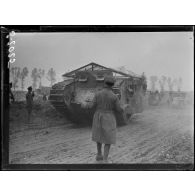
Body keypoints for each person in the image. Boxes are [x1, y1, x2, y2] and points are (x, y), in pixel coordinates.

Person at [91, 75, 123, 163]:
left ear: (104, 83)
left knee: (99, 135)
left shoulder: (97, 94)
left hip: (98, 115)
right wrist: (123, 108)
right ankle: (105, 159)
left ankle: (99, 155)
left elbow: (91, 105)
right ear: (112, 85)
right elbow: (119, 109)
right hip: (109, 117)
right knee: (108, 138)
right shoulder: (114, 96)